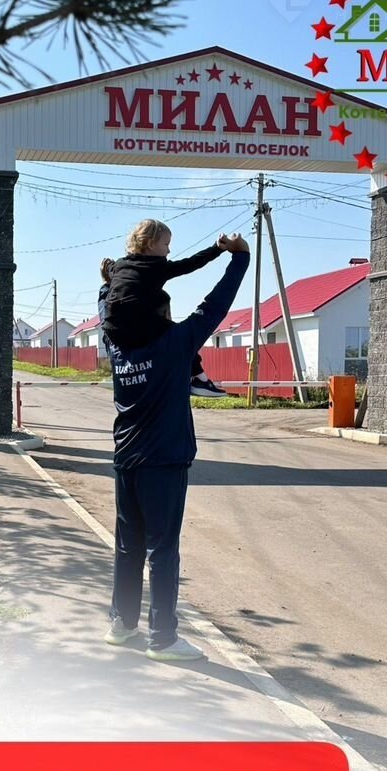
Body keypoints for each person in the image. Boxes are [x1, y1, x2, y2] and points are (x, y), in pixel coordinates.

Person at [104, 232, 251, 661]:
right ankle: (163, 639)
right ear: (158, 311)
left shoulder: (116, 348)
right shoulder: (175, 344)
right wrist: (240, 259)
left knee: (128, 546)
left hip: (125, 460)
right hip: (163, 461)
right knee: (162, 550)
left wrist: (107, 283)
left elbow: (108, 307)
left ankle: (122, 624)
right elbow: (214, 306)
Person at [102, 219, 228, 397]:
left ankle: (125, 375)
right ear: (150, 244)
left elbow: (110, 268)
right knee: (180, 336)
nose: (169, 251)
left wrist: (107, 266)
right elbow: (191, 263)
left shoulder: (120, 264)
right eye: (166, 244)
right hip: (135, 323)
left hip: (111, 329)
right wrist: (217, 248)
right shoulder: (157, 266)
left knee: (155, 314)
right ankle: (199, 379)